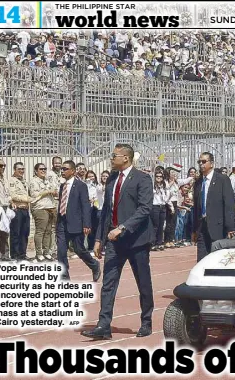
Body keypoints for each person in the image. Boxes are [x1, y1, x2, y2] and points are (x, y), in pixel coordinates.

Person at [81, 144, 154, 340]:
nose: (111, 159)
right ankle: (104, 325)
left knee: (143, 282)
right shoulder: (113, 179)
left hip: (136, 240)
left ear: (126, 158)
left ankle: (146, 321)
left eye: (114, 156)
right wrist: (98, 239)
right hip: (114, 242)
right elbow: (106, 211)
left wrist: (122, 227)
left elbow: (145, 209)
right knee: (108, 283)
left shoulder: (143, 179)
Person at [56, 160, 101, 282]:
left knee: (79, 249)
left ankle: (94, 265)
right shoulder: (62, 186)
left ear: (73, 171)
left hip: (76, 223)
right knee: (61, 250)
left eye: (65, 169)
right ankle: (64, 276)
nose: (63, 171)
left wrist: (86, 223)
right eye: (62, 169)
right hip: (62, 222)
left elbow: (85, 205)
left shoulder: (80, 185)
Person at [192, 152, 235, 261]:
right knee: (202, 260)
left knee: (217, 258)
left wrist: (230, 227)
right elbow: (196, 207)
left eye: (204, 161)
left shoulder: (222, 180)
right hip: (202, 226)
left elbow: (229, 203)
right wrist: (193, 229)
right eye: (199, 162)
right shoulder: (198, 182)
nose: (201, 164)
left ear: (211, 163)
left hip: (218, 226)